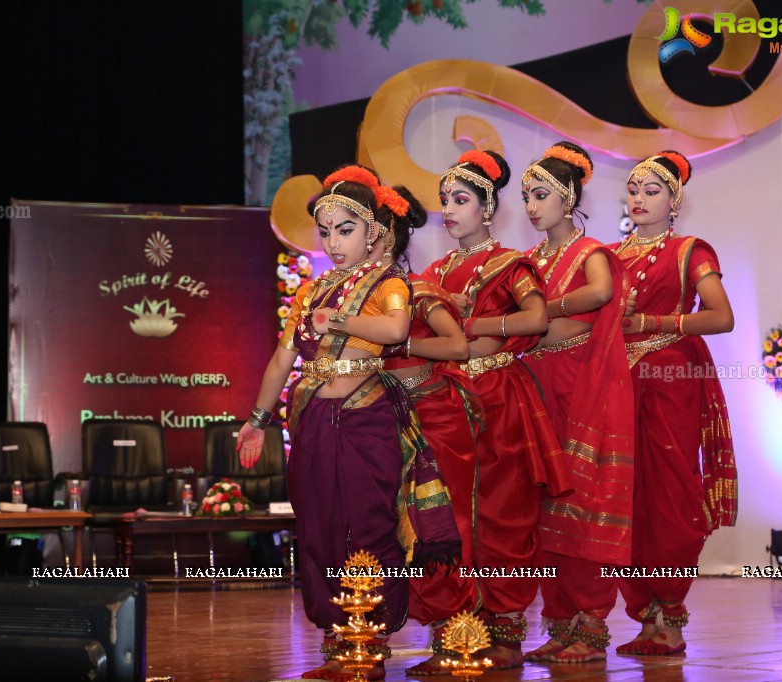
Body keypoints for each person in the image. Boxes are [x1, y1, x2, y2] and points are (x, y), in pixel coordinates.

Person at [236, 165, 460, 681]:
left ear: (373, 232)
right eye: (326, 232)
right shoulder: (312, 292)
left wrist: (336, 320)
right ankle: (339, 640)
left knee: (369, 525)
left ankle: (371, 638)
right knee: (318, 527)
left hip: (367, 418)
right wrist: (256, 421)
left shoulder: (390, 283)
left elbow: (396, 328)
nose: (334, 243)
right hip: (314, 420)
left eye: (346, 230)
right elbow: (279, 361)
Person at [421, 149, 572, 670]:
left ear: (487, 208)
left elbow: (534, 320)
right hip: (446, 404)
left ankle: (506, 631)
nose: (449, 209)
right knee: (448, 517)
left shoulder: (511, 263)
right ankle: (458, 631)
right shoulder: (434, 271)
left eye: (460, 200)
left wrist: (474, 326)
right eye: (444, 201)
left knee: (504, 515)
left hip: (500, 400)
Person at [611, 151, 738, 655]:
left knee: (670, 495)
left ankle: (672, 615)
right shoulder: (609, 256)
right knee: (624, 497)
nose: (639, 199)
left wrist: (653, 324)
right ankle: (645, 616)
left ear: (674, 200)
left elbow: (721, 316)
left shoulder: (690, 251)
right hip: (618, 384)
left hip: (671, 378)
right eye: (633, 190)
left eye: (651, 191)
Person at [517, 142, 635, 664]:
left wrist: (544, 311)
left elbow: (600, 294)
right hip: (536, 383)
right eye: (525, 197)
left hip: (581, 384)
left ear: (568, 198)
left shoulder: (592, 254)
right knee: (543, 507)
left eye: (540, 195)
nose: (531, 207)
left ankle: (590, 627)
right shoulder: (528, 261)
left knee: (584, 503)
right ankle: (561, 624)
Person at [371, 194, 485, 676]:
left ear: (385, 237)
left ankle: (457, 639)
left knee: (441, 528)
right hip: (380, 421)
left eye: (358, 230)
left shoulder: (416, 290)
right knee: (393, 529)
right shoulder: (355, 296)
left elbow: (458, 345)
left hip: (434, 418)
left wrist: (401, 340)